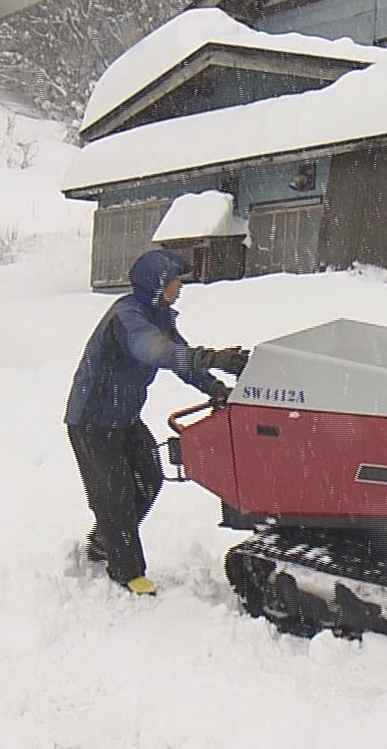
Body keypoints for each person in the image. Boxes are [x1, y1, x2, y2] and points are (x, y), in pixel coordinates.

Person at [64, 249, 248, 596]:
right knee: (115, 494)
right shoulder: (128, 317)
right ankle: (128, 571)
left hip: (124, 417)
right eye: (175, 282)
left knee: (149, 477)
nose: (180, 288)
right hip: (92, 419)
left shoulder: (157, 316)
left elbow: (182, 361)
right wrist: (210, 356)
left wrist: (217, 387)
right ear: (157, 284)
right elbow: (155, 351)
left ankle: (106, 540)